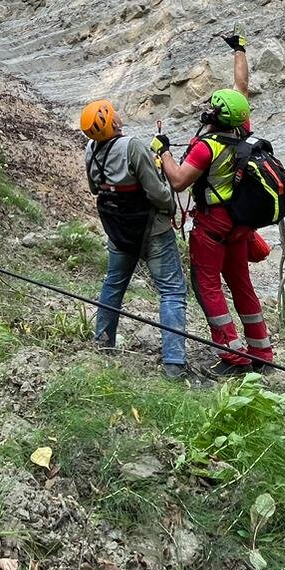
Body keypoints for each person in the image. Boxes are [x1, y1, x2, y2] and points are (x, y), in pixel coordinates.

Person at [157, 72, 276, 377]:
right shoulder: (243, 133)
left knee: (207, 285)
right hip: (239, 224)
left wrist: (164, 152)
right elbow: (242, 89)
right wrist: (240, 50)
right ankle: (261, 351)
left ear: (215, 114)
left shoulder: (206, 147)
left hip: (213, 224)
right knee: (241, 285)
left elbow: (180, 181)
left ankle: (232, 354)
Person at [78, 98, 195, 382]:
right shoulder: (132, 146)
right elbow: (157, 193)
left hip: (118, 229)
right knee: (171, 291)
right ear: (111, 121)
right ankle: (174, 364)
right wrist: (170, 209)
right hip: (150, 228)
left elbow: (96, 187)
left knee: (114, 282)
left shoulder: (91, 150)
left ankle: (103, 343)